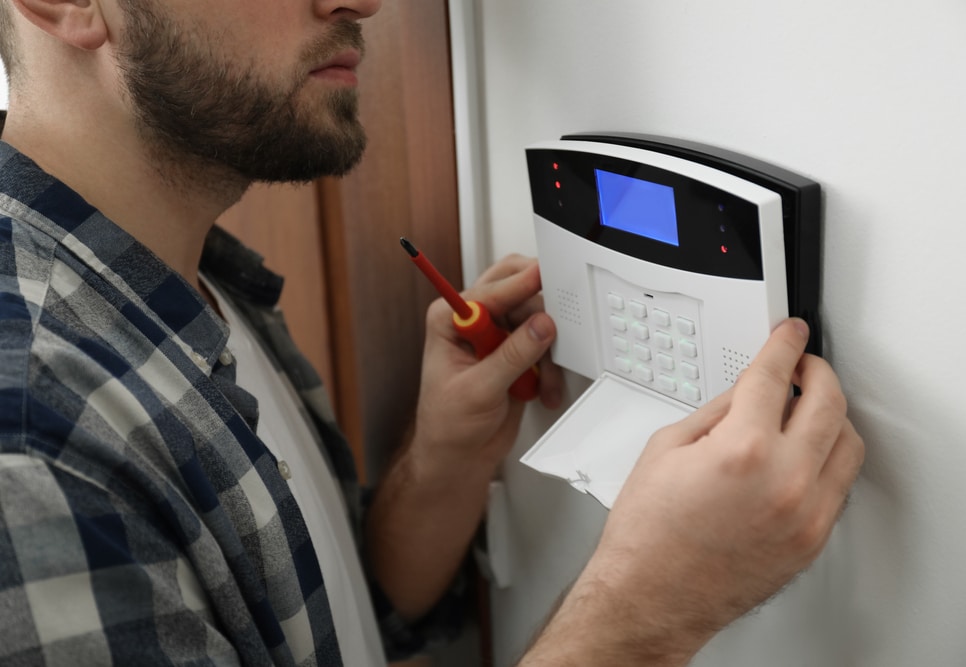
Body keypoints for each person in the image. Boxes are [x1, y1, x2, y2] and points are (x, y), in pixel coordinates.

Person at [0, 0, 864, 664]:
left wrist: (441, 466)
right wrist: (648, 612)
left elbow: (326, 624)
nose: (364, 2)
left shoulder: (190, 278)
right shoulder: (31, 452)